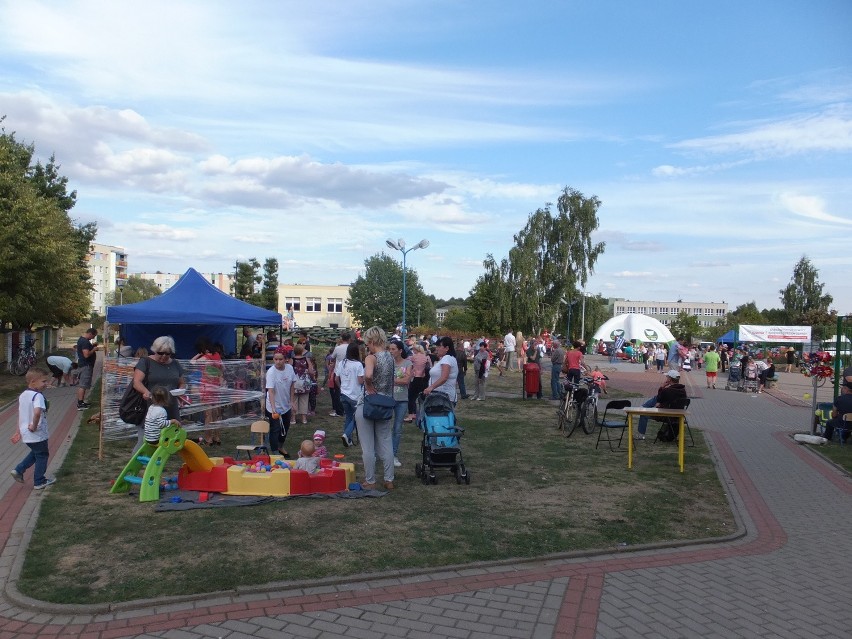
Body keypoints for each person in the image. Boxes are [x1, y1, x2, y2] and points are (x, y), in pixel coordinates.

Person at [356, 326, 396, 490]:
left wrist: (369, 385)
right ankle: (389, 480)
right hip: (385, 403)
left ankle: (370, 481)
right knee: (386, 443)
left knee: (368, 446)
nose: (368, 346)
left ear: (372, 341)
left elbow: (368, 375)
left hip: (368, 403)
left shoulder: (371, 358)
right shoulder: (390, 357)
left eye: (368, 343)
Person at [10, 368, 57, 490]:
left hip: (26, 433)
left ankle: (18, 470)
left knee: (36, 452)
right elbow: (36, 413)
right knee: (42, 455)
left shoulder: (23, 395)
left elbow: (21, 414)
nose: (46, 384)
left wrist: (18, 431)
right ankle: (39, 481)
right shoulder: (38, 396)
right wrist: (34, 426)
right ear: (33, 381)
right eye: (44, 381)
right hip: (37, 433)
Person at [132, 336, 185, 421]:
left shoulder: (175, 364)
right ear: (155, 350)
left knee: (173, 433)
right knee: (152, 433)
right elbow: (136, 382)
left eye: (168, 354)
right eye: (160, 353)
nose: (164, 356)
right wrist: (146, 392)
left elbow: (182, 383)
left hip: (172, 408)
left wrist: (181, 393)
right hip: (151, 407)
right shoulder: (145, 362)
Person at [635, 370, 687, 440]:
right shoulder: (683, 390)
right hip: (679, 415)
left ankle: (641, 435)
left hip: (667, 415)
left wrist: (662, 387)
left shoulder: (667, 391)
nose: (666, 378)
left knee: (644, 414)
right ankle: (643, 407)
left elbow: (659, 401)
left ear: (670, 379)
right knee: (657, 398)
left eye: (667, 377)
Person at [192, 337, 224, 446]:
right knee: (216, 414)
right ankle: (217, 437)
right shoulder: (217, 356)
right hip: (216, 387)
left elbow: (191, 363)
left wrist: (198, 354)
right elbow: (222, 369)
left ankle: (208, 438)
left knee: (208, 414)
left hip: (206, 388)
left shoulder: (205, 358)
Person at [266, 347, 296, 457]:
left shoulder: (289, 369)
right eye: (276, 359)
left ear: (286, 359)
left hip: (286, 404)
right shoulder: (271, 372)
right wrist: (273, 408)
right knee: (276, 429)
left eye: (280, 359)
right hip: (274, 405)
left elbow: (292, 385)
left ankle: (280, 446)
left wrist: (292, 401)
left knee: (286, 427)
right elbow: (271, 391)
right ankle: (274, 452)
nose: (278, 362)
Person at [388, 338, 412, 468]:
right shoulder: (388, 363)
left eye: (393, 349)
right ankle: (381, 453)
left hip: (402, 399)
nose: (391, 351)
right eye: (390, 349)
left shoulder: (407, 363)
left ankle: (393, 454)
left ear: (400, 350)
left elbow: (407, 380)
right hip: (388, 398)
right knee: (384, 427)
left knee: (397, 428)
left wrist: (393, 380)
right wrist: (399, 379)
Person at [337, 342, 364, 447]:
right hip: (355, 395)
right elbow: (360, 381)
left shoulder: (341, 363)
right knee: (356, 418)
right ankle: (346, 434)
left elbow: (336, 378)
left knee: (348, 417)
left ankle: (348, 440)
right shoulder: (358, 364)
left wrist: (341, 388)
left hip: (344, 394)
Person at [424, 336, 459, 402]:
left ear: (447, 348)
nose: (436, 349)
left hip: (443, 397)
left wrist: (431, 387)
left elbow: (444, 377)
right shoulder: (449, 358)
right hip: (441, 396)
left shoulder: (447, 359)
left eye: (439, 346)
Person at [291, 344, 315, 425]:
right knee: (304, 400)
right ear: (302, 351)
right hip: (304, 382)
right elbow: (311, 371)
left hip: (294, 382)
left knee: (293, 400)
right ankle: (304, 419)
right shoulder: (306, 359)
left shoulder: (291, 360)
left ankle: (293, 418)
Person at [76, 327, 99, 410]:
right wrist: (94, 349)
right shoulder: (85, 342)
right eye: (93, 336)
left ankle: (82, 402)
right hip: (86, 366)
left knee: (84, 384)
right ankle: (80, 404)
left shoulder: (82, 340)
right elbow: (86, 354)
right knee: (83, 384)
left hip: (85, 365)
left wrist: (92, 346)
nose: (93, 338)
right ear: (90, 334)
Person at [407, 343, 430, 420]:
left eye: (413, 350)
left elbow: (407, 361)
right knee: (423, 398)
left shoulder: (413, 357)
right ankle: (423, 413)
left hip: (415, 378)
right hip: (423, 379)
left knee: (411, 397)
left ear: (416, 350)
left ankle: (412, 413)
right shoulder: (426, 357)